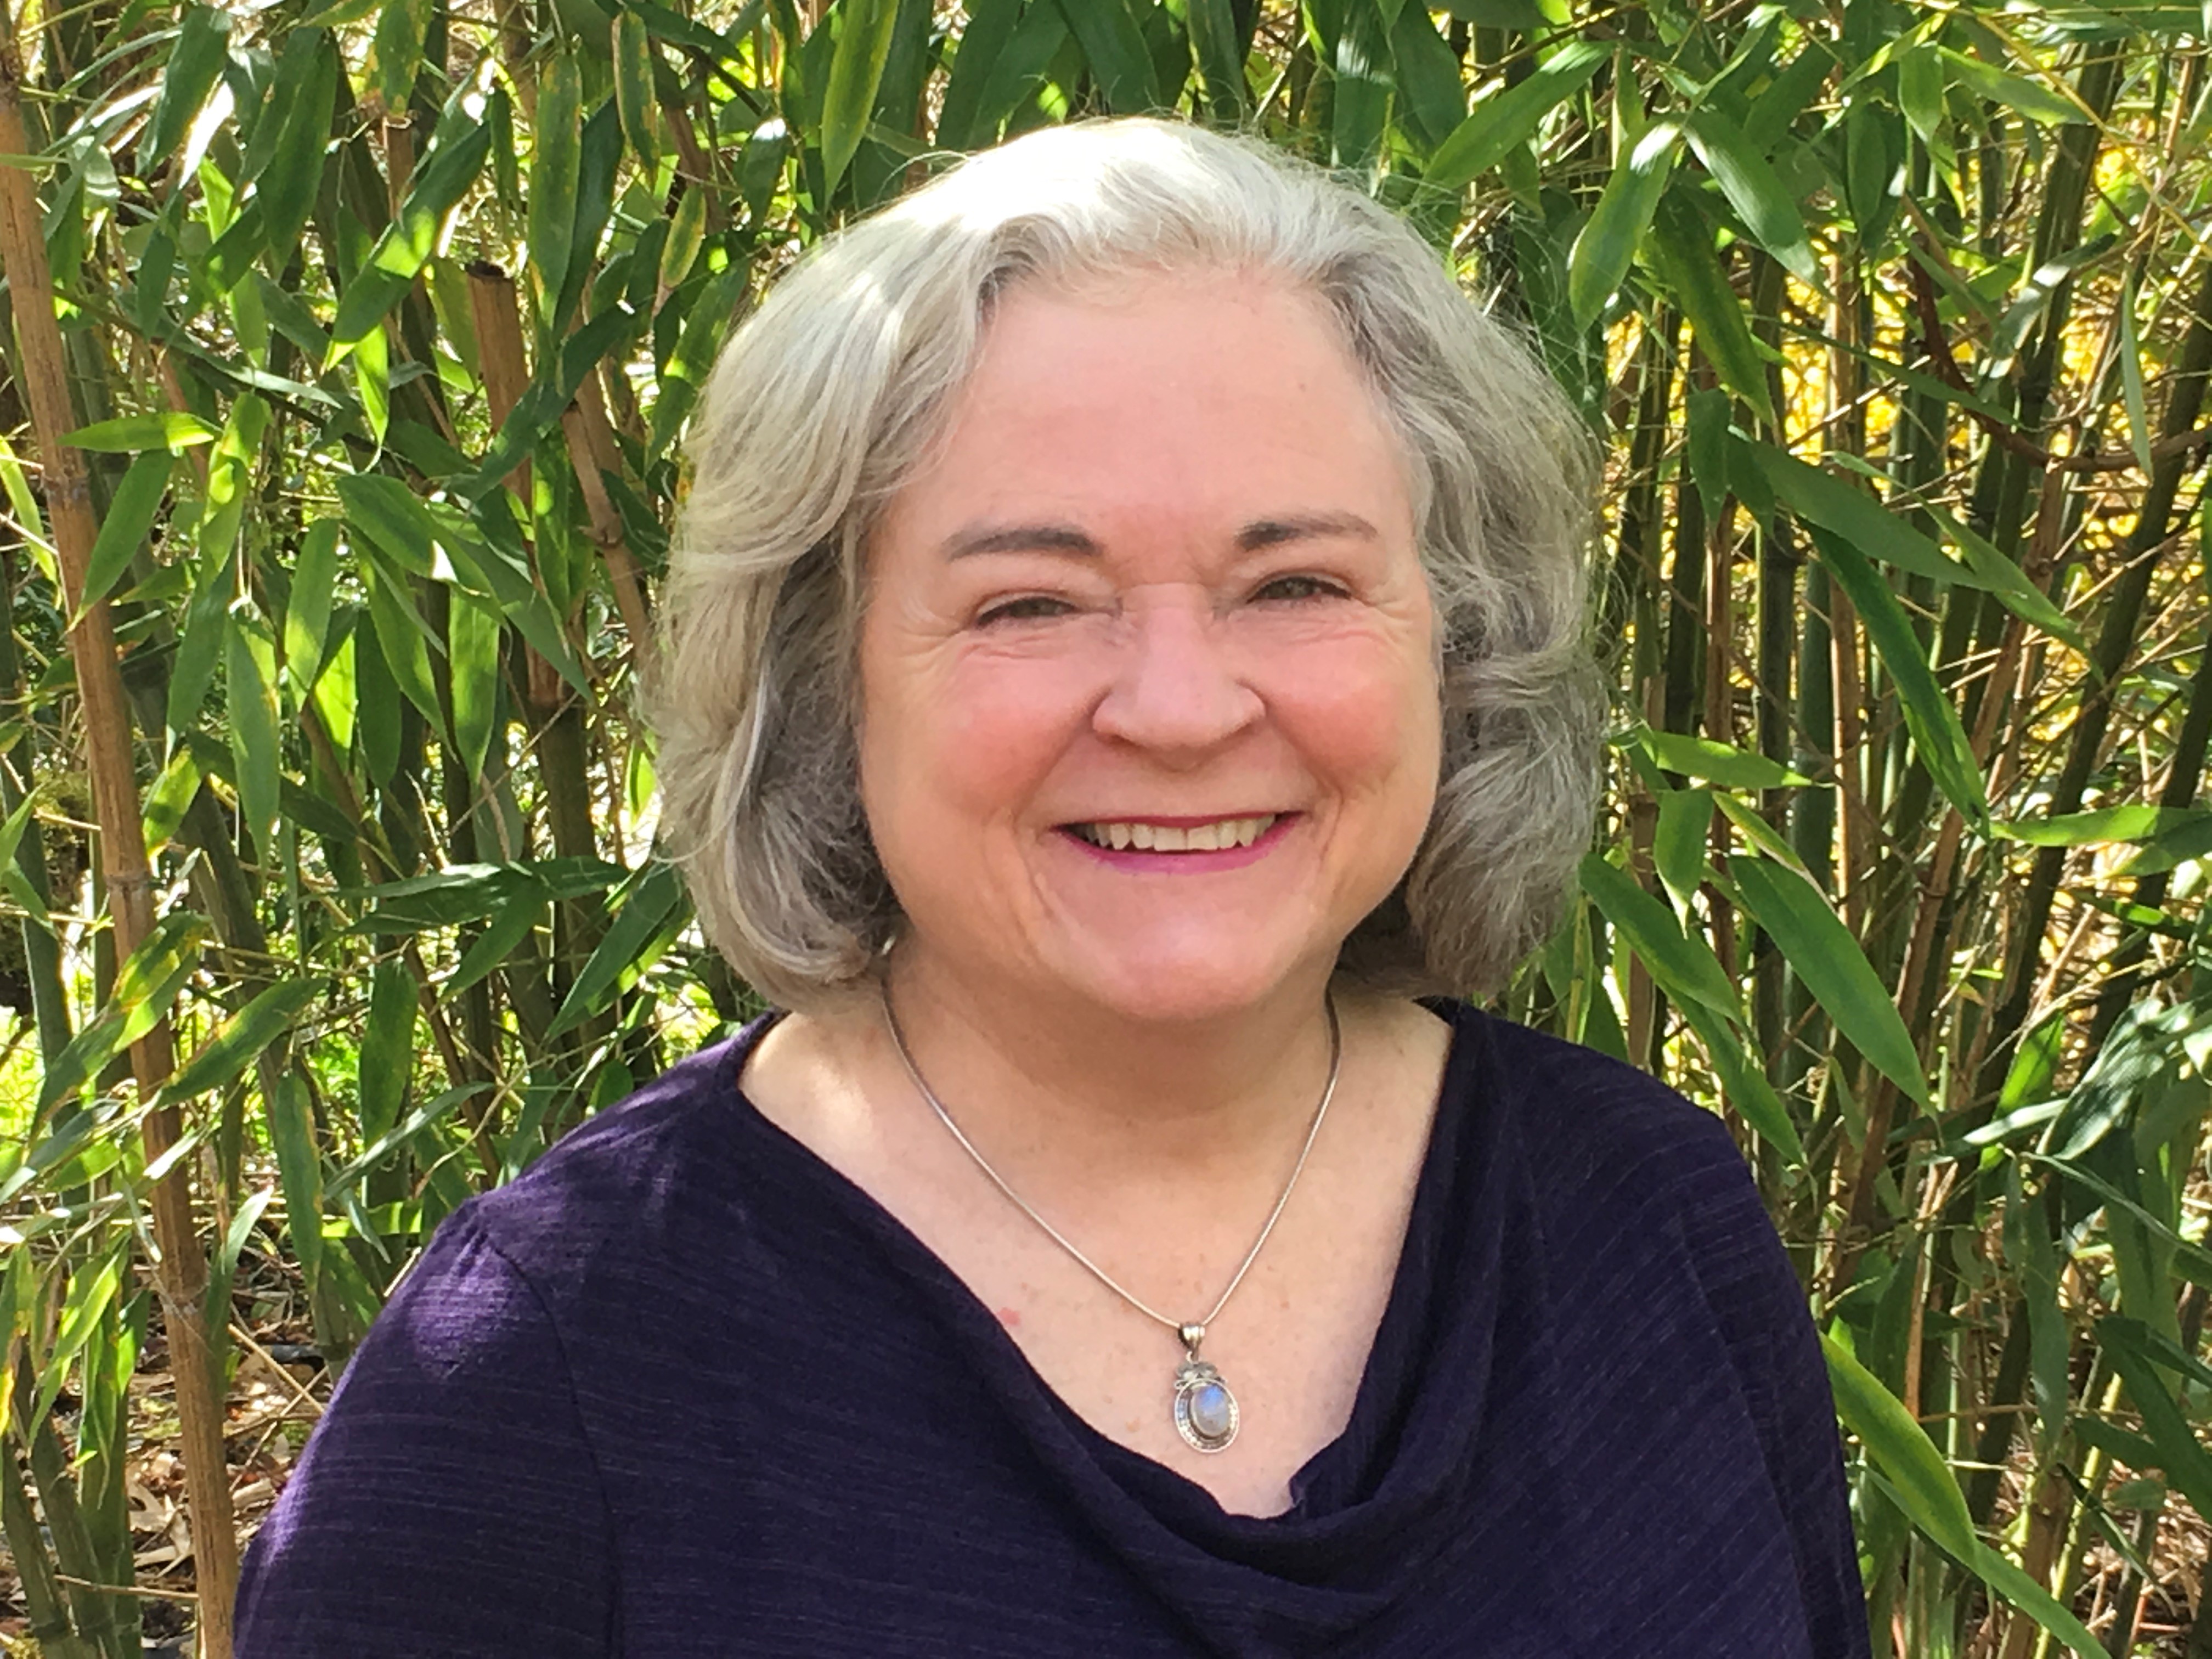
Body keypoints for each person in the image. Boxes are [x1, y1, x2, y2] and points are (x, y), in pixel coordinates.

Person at [234, 117, 1867, 1657]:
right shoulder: (541, 1385)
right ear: (826, 682)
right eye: (1031, 603)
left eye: (1296, 581)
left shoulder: (1648, 1219)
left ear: (1459, 640)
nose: (1178, 708)